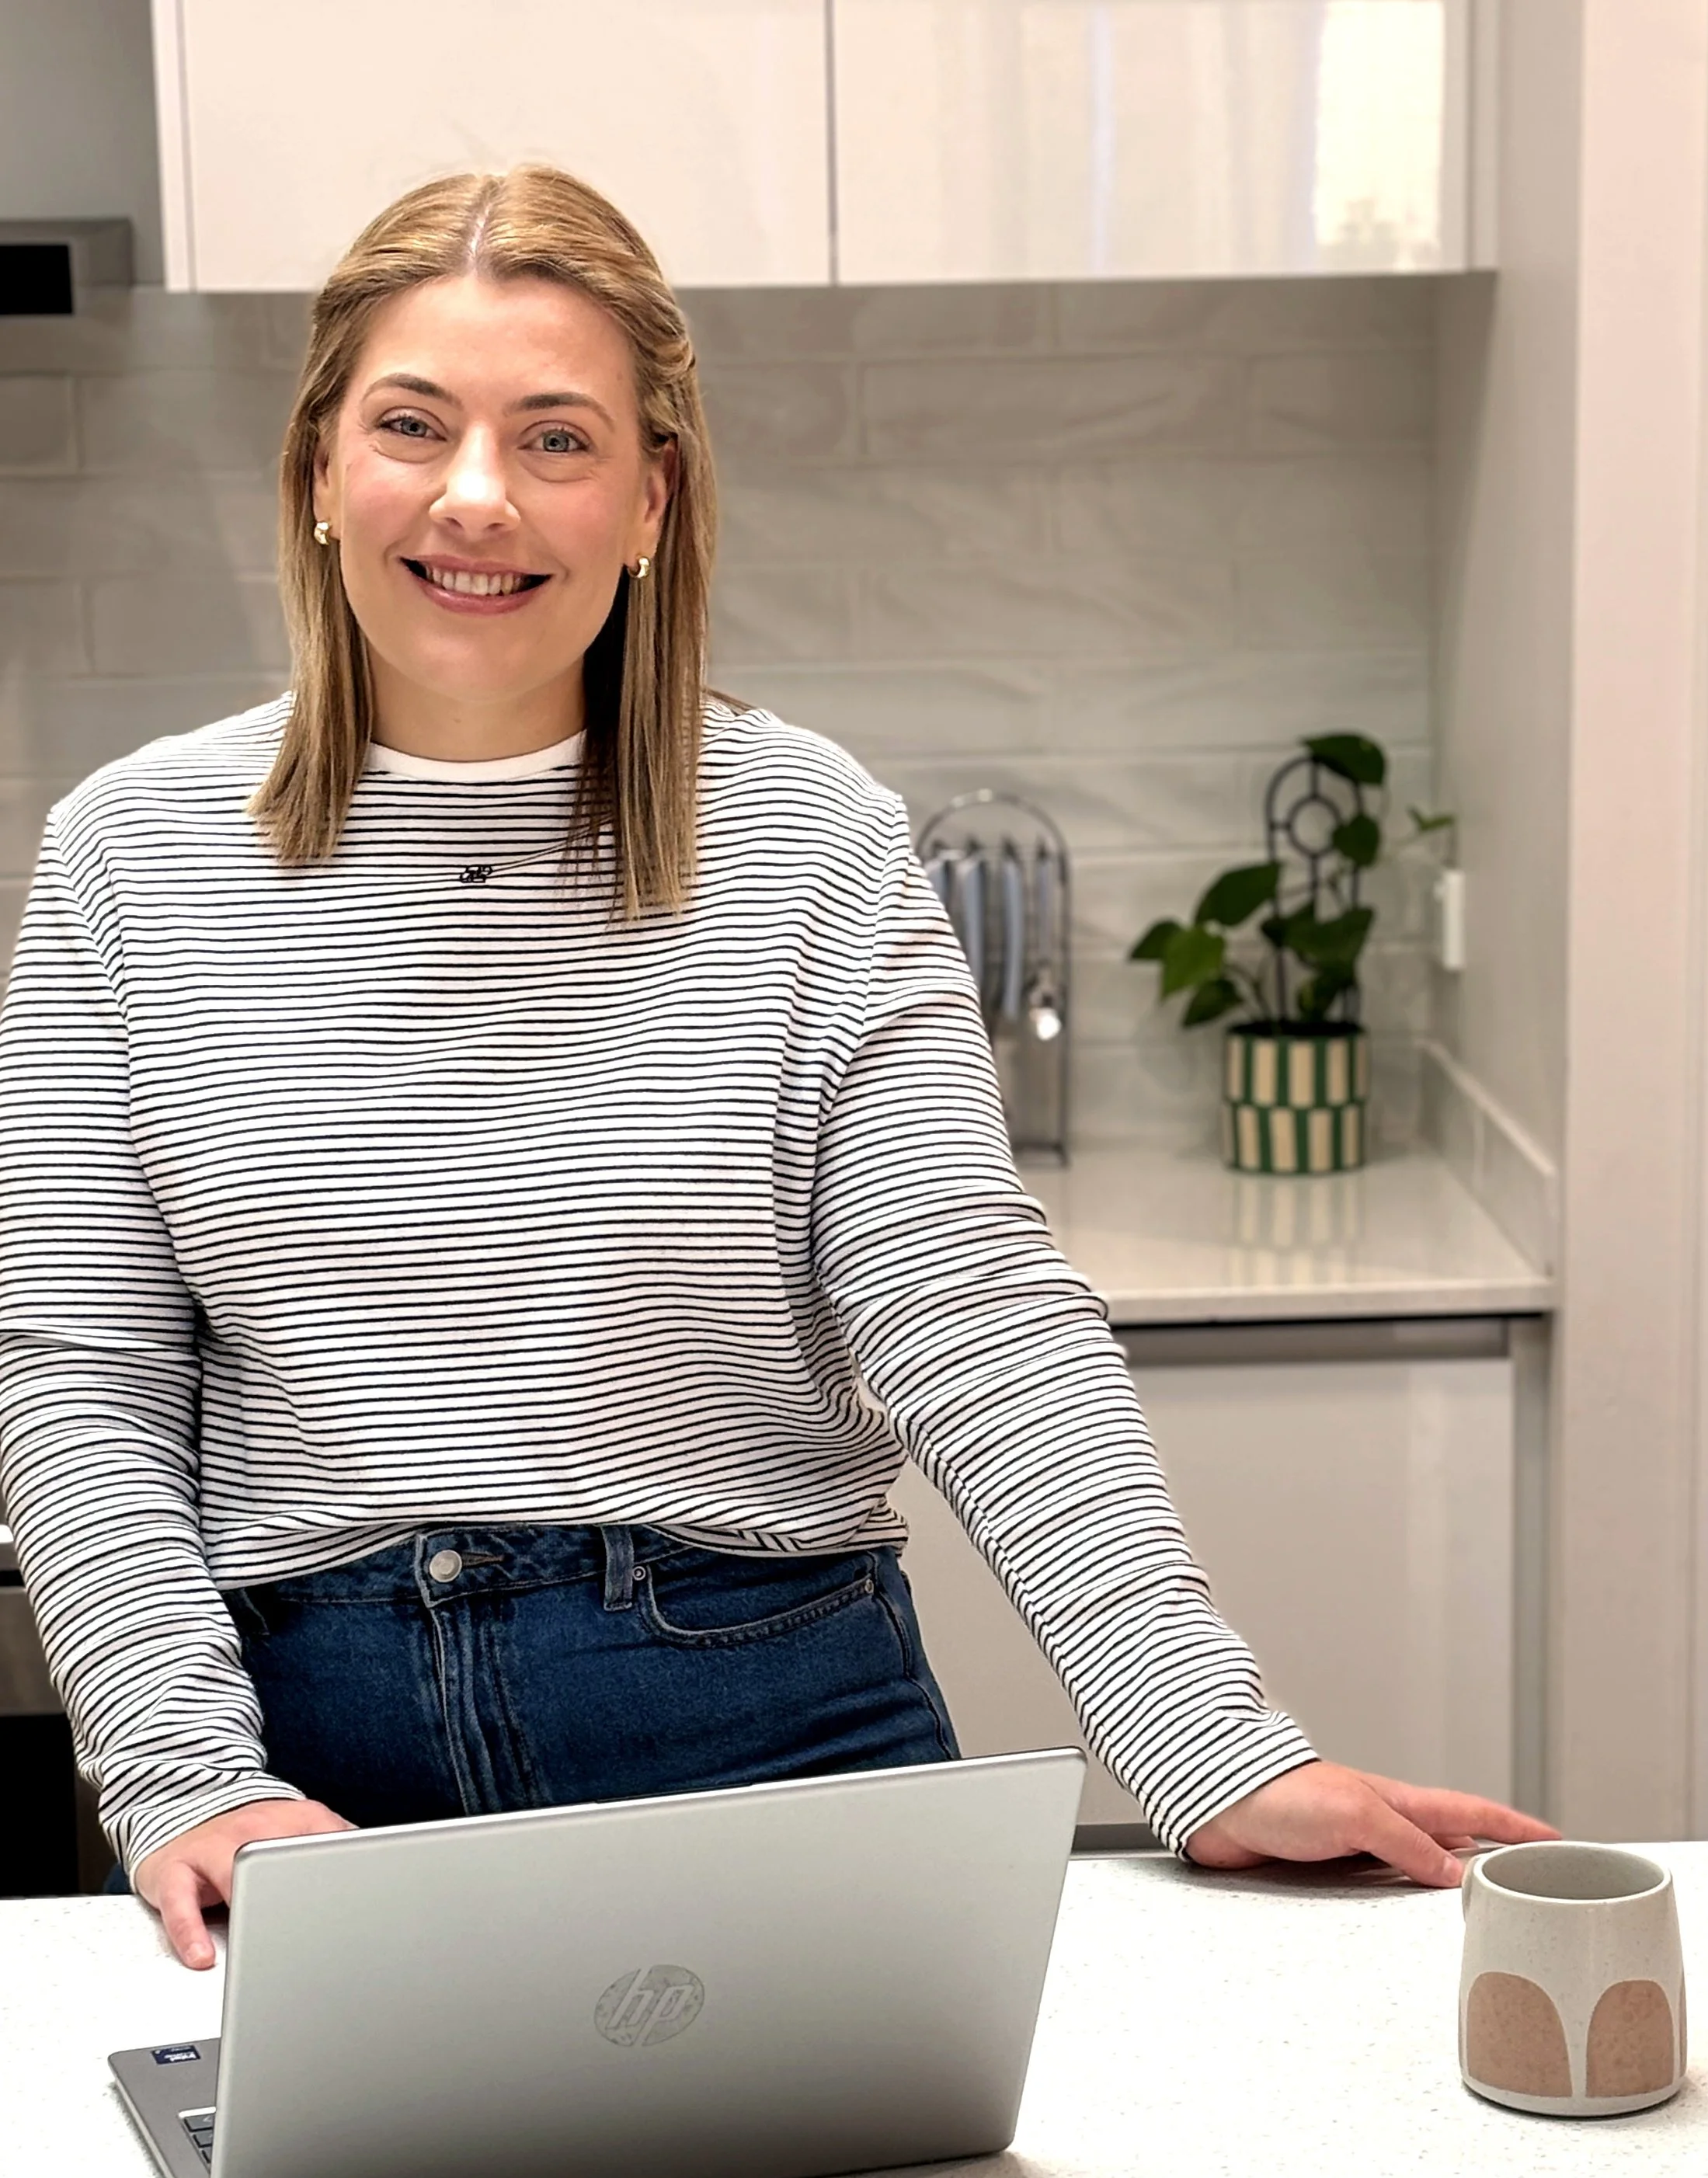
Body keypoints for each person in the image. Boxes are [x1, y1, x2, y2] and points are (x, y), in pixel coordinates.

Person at [0, 168, 1553, 1973]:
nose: (475, 495)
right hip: (314, 1775)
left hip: (767, 1726)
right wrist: (179, 1768)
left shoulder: (806, 838)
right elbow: (84, 1374)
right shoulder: (133, 853)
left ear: (651, 495)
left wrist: (1204, 1738)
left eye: (556, 437)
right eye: (410, 424)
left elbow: (968, 1315)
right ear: (318, 472)